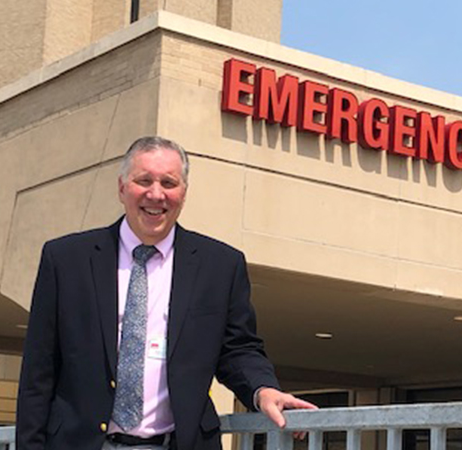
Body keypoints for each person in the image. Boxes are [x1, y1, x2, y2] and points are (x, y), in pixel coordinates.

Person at [16, 136, 316, 450]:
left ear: (183, 193)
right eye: (143, 180)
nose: (156, 194)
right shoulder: (65, 260)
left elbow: (238, 349)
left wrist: (263, 390)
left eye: (169, 183)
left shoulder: (220, 266)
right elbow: (39, 373)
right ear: (122, 188)